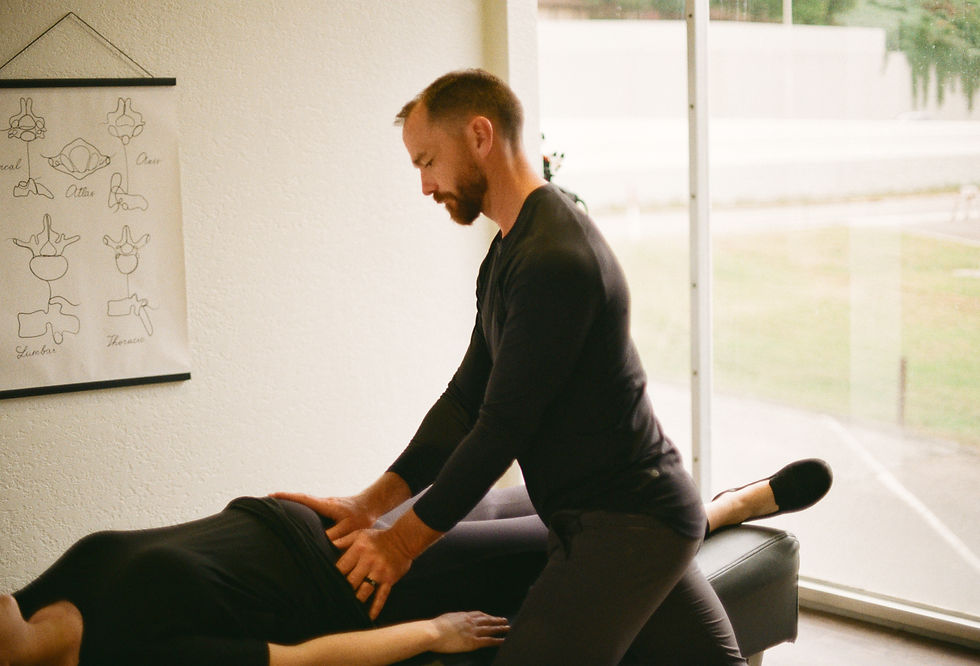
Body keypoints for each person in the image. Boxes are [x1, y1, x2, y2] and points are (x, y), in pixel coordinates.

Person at [276, 68, 832, 665]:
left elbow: (500, 431)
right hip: (608, 519)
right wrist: (369, 505)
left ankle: (737, 503)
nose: (425, 185)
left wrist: (401, 544)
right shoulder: (507, 252)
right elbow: (464, 401)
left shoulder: (555, 259)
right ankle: (736, 502)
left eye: (428, 161)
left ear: (480, 136)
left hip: (630, 527)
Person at [1, 459, 830, 666]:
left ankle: (707, 506)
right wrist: (431, 633)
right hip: (362, 583)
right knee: (588, 533)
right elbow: (300, 660)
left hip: (331, 527)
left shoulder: (38, 596)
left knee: (513, 497)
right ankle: (723, 509)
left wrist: (356, 505)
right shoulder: (126, 657)